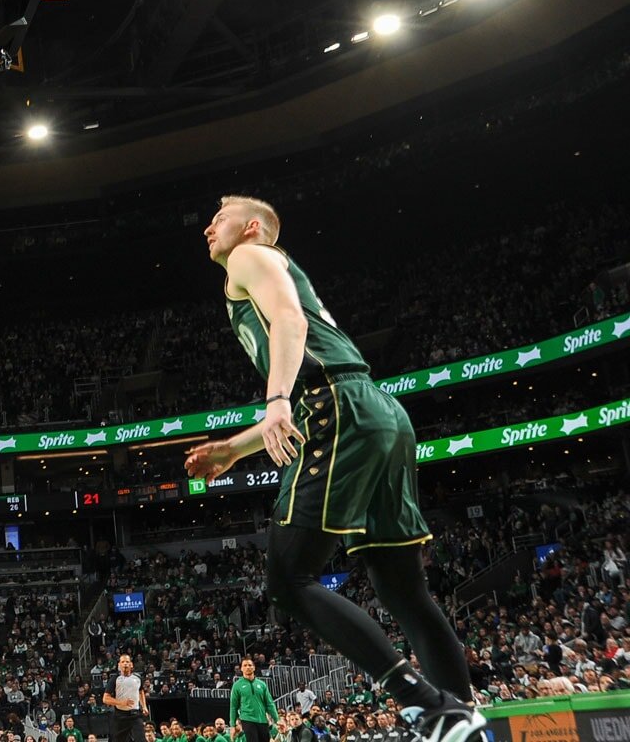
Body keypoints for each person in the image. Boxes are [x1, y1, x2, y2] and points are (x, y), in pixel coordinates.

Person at [184, 195, 486, 742]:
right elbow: (318, 370)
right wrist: (234, 450)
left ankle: (427, 705)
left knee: (288, 579)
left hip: (340, 405)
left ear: (251, 228)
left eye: (219, 218)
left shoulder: (250, 256)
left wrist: (274, 399)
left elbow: (290, 323)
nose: (208, 226)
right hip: (376, 409)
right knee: (402, 590)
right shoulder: (272, 269)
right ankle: (464, 720)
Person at [229, 660, 278, 742]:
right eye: (245, 665)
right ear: (241, 668)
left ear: (254, 668)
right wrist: (233, 725)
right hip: (247, 720)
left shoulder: (262, 684)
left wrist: (277, 719)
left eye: (250, 665)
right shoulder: (237, 685)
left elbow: (270, 704)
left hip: (262, 719)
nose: (247, 667)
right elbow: (233, 707)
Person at [102, 654, 144, 742]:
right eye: (123, 662)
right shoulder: (115, 679)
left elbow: (141, 691)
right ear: (119, 665)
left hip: (135, 714)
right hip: (120, 715)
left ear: (131, 664)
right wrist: (121, 702)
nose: (125, 664)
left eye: (127, 662)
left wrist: (144, 706)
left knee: (141, 739)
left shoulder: (138, 678)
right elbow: (105, 699)